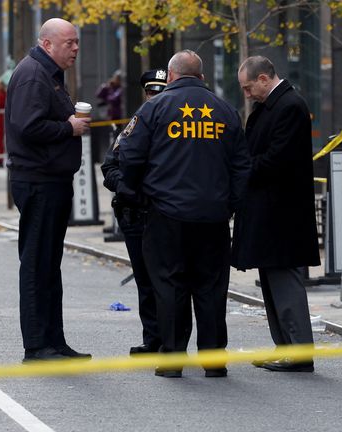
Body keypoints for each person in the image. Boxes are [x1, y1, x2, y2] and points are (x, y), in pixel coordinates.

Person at [119, 50, 248, 378]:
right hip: (213, 217)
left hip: (166, 214)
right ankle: (214, 359)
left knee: (170, 285)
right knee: (211, 287)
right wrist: (230, 204)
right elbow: (241, 166)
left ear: (171, 77)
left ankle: (174, 358)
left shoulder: (154, 108)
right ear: (202, 77)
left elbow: (131, 156)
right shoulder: (225, 110)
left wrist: (134, 194)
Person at [4, 18, 92, 363]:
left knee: (49, 265)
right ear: (47, 43)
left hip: (52, 180)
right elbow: (27, 126)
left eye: (77, 43)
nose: (75, 49)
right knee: (37, 264)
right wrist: (67, 127)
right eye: (69, 42)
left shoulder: (49, 74)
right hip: (38, 180)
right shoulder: (32, 75)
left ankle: (55, 341)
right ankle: (37, 345)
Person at [231, 56, 320, 373]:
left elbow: (275, 159)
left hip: (282, 213)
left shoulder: (289, 106)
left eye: (248, 86)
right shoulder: (272, 106)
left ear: (265, 78)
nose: (247, 94)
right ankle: (285, 347)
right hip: (271, 210)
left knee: (285, 282)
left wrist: (241, 171)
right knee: (271, 282)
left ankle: (297, 351)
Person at [101, 68, 168, 356]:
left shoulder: (177, 128)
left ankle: (171, 340)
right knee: (145, 280)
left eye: (160, 92)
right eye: (151, 92)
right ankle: (153, 337)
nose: (155, 97)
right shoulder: (134, 125)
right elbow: (109, 168)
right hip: (137, 214)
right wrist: (129, 189)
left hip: (167, 214)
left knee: (168, 281)